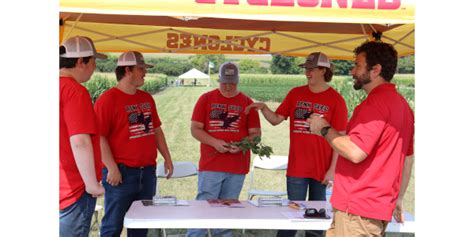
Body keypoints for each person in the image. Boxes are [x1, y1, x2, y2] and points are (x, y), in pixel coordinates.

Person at [307, 41, 414, 237]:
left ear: (375, 70)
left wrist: (324, 128)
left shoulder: (374, 104)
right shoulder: (403, 106)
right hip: (374, 209)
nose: (352, 71)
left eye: (357, 65)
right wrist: (398, 198)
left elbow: (355, 152)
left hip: (357, 210)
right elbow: (407, 159)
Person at [245, 52, 348, 237]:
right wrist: (264, 108)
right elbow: (276, 119)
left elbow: (340, 138)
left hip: (322, 169)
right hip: (297, 167)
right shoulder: (296, 93)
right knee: (290, 217)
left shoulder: (336, 100)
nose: (307, 73)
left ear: (323, 70)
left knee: (316, 221)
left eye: (311, 69)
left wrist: (333, 170)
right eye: (306, 69)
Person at [94, 51, 174, 237]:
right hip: (121, 173)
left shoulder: (146, 98)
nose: (144, 73)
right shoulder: (107, 100)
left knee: (140, 225)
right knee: (113, 225)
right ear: (127, 70)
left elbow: (156, 130)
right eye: (141, 69)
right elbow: (99, 137)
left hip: (147, 172)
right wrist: (112, 168)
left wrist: (167, 158)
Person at [187, 62, 261, 237]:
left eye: (232, 83)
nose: (228, 86)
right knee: (204, 205)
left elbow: (256, 134)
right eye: (224, 82)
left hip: (237, 166)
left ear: (237, 81)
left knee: (228, 208)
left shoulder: (247, 102)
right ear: (219, 80)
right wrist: (214, 142)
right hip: (211, 164)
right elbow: (195, 129)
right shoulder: (206, 99)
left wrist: (242, 145)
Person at [60, 36, 106, 237]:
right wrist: (91, 184)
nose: (94, 67)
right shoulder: (75, 91)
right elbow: (80, 141)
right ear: (80, 62)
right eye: (93, 62)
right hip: (74, 189)